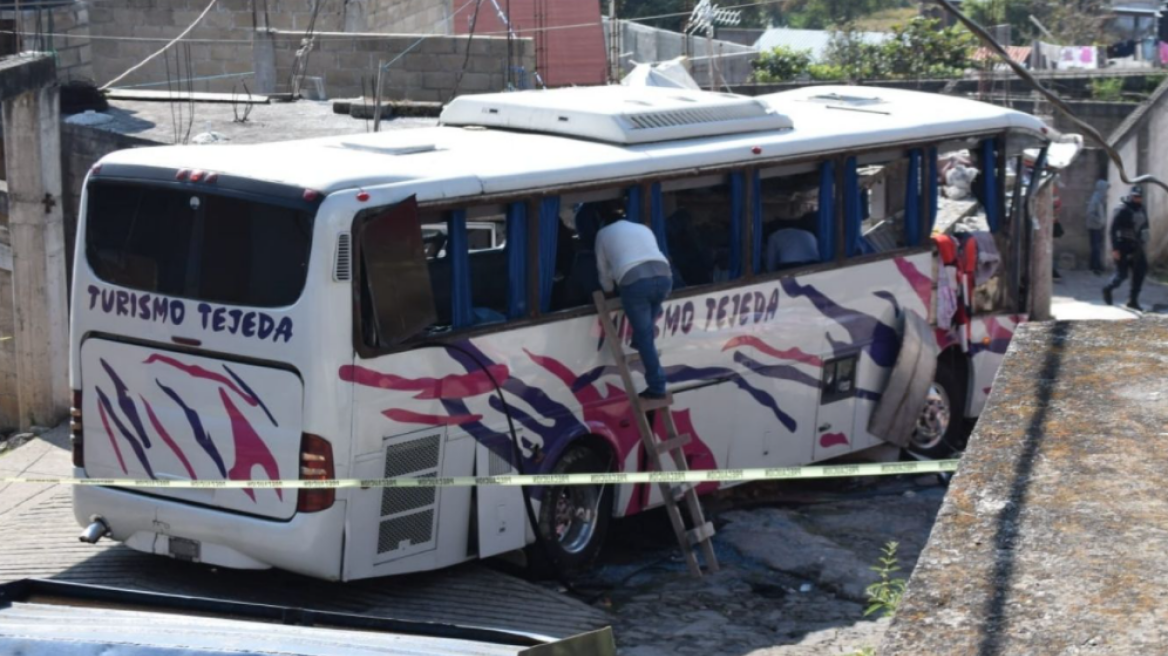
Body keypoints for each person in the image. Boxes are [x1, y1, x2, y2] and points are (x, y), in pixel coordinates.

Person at [595, 201, 673, 400]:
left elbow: (603, 271)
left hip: (635, 281)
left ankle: (657, 387)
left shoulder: (603, 234)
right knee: (645, 329)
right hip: (664, 276)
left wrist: (609, 292)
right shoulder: (641, 228)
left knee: (646, 337)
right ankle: (639, 341)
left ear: (603, 221)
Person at [1102, 186, 1149, 311]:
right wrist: (1115, 248)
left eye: (1139, 197)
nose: (1137, 199)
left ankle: (1133, 300)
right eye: (1135, 196)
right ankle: (1108, 288)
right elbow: (1113, 230)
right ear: (1131, 196)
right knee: (1122, 275)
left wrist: (1144, 239)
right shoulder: (1123, 209)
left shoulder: (1142, 209)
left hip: (1137, 246)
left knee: (1141, 271)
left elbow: (1145, 226)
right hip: (1123, 246)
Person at [1086, 179, 1110, 275]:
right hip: (1094, 227)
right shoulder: (1095, 199)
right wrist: (1099, 221)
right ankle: (1095, 267)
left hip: (1098, 226)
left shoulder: (1100, 198)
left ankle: (1095, 265)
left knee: (1096, 247)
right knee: (1096, 247)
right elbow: (1090, 213)